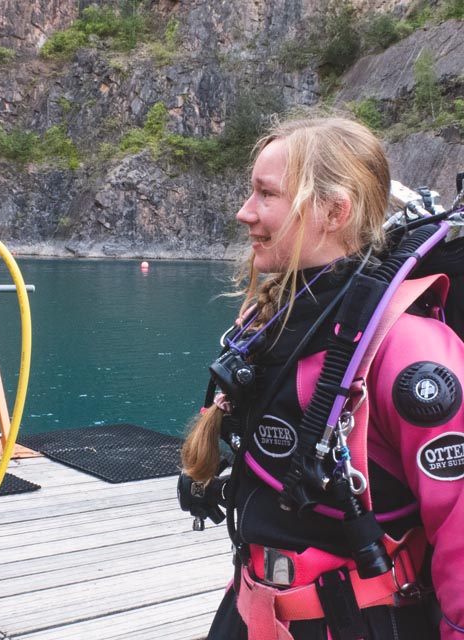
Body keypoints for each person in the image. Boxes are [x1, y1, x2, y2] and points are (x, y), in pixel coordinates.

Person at [178, 116, 464, 639]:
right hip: (251, 608)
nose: (245, 213)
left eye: (266, 195)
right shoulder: (271, 322)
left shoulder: (407, 348)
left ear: (335, 211)